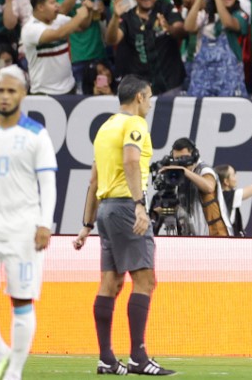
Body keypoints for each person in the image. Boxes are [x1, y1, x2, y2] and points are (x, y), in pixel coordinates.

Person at [73, 76, 175, 376]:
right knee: (145, 281)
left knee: (111, 283)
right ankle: (138, 358)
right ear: (140, 98)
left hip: (105, 210)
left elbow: (93, 180)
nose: (152, 102)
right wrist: (140, 204)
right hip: (125, 208)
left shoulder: (105, 128)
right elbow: (132, 162)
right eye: (150, 96)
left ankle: (106, 358)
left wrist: (86, 224)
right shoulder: (135, 125)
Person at [0, 66, 55, 380]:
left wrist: (44, 224)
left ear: (23, 94)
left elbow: (47, 182)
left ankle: (15, 373)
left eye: (12, 91)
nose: (6, 96)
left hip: (23, 228)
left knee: (21, 298)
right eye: (0, 90)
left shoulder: (36, 134)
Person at [21, 0, 94, 95]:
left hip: (69, 88)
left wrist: (89, 11)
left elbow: (82, 27)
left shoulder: (59, 19)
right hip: (43, 92)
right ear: (40, 7)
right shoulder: (30, 28)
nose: (57, 5)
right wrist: (79, 16)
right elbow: (58, 34)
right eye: (52, 3)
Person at [213, 149, 252, 237]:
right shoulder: (231, 196)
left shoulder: (212, 197)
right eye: (234, 174)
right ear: (226, 181)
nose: (236, 177)